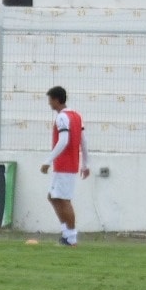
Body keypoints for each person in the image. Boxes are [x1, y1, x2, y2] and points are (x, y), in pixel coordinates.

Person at [41, 86, 90, 247]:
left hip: (64, 164)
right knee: (54, 197)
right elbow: (83, 141)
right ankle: (67, 234)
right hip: (71, 163)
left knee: (64, 200)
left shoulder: (62, 117)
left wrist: (48, 161)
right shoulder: (76, 115)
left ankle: (71, 237)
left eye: (50, 100)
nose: (49, 104)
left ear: (56, 99)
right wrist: (85, 164)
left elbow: (64, 140)